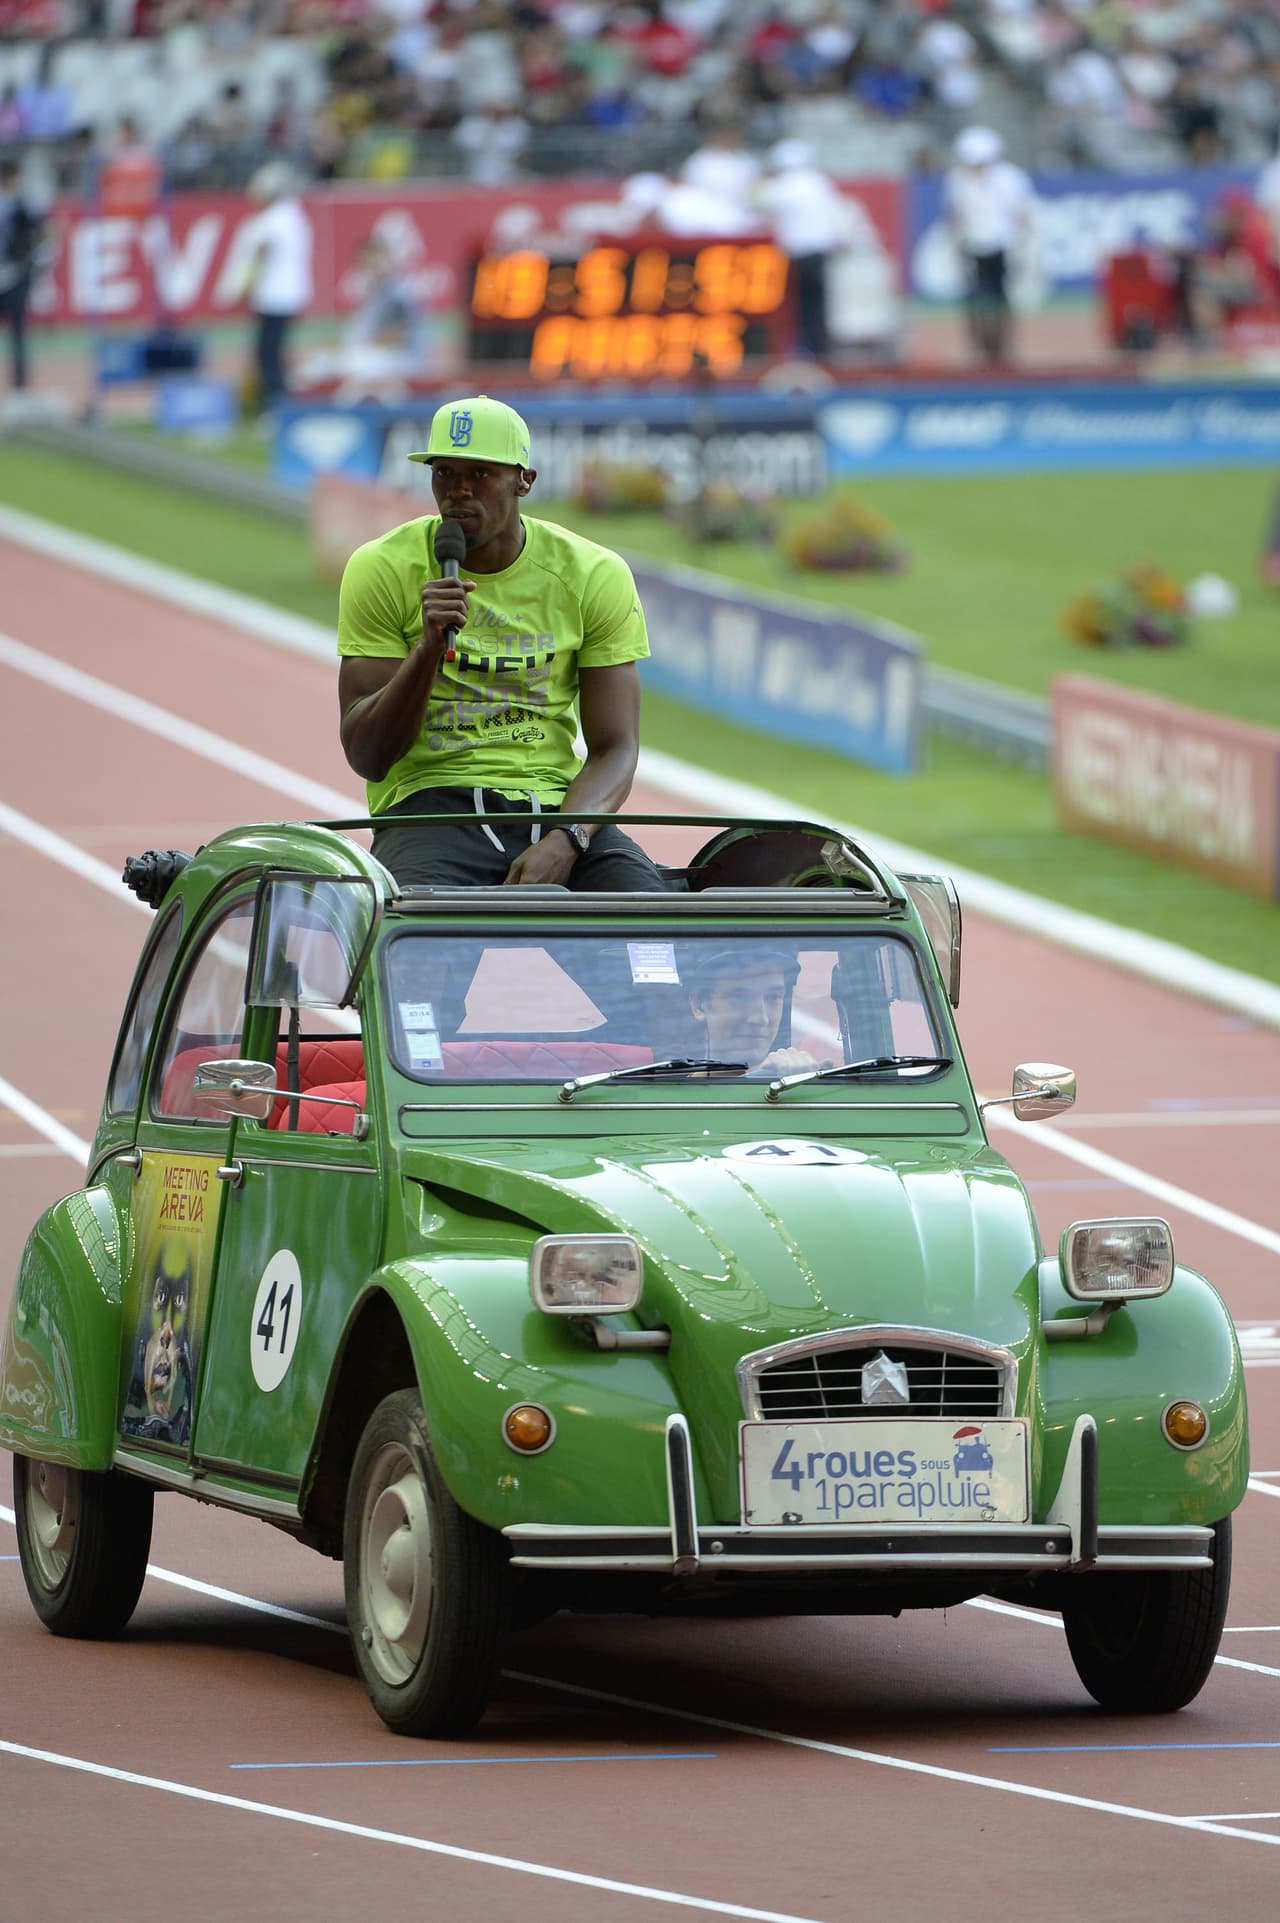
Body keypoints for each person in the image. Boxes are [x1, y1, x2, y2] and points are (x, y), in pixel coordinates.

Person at [337, 393, 668, 895]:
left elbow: (616, 747)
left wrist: (567, 838)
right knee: (410, 953)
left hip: (555, 805)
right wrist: (427, 650)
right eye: (444, 473)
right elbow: (368, 755)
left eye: (480, 474)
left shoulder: (593, 574)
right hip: (429, 807)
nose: (458, 492)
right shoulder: (381, 567)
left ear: (524, 481)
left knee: (655, 940)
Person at [941, 126, 1036, 366]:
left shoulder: (1011, 178)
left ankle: (1002, 348)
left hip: (1003, 245)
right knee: (974, 298)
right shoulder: (957, 180)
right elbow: (956, 216)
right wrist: (956, 248)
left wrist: (1023, 249)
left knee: (1001, 297)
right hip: (972, 245)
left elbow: (1021, 215)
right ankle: (978, 348)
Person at [239, 159, 314, 414]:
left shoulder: (276, 217)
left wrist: (244, 286)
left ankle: (276, 404)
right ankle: (276, 400)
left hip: (275, 295)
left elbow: (261, 251)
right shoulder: (294, 214)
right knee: (274, 351)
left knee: (267, 353)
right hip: (289, 293)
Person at [686, 946, 819, 1076]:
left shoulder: (798, 1088)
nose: (761, 1019)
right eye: (738, 997)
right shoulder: (677, 1095)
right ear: (698, 1006)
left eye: (773, 997)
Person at [0, 157, 41, 392]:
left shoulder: (24, 204)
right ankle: (20, 382)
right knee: (17, 329)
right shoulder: (19, 205)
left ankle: (20, 381)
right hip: (12, 272)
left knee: (18, 329)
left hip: (16, 274)